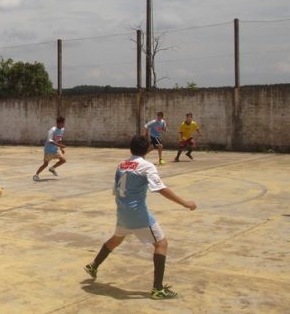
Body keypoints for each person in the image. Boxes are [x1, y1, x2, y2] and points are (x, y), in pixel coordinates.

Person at [83, 135, 197, 299]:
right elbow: (160, 188)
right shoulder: (147, 166)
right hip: (138, 213)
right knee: (161, 243)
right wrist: (185, 203)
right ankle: (158, 289)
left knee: (116, 239)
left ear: (131, 148)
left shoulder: (121, 165)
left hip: (122, 210)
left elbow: (117, 189)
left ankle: (94, 265)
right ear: (148, 149)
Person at [33, 116, 66, 181]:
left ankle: (52, 168)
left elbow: (58, 138)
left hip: (55, 150)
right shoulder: (52, 130)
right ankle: (36, 175)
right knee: (45, 164)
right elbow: (50, 141)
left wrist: (61, 148)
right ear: (58, 123)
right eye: (63, 123)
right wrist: (60, 145)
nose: (64, 124)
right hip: (48, 150)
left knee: (63, 160)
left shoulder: (62, 130)